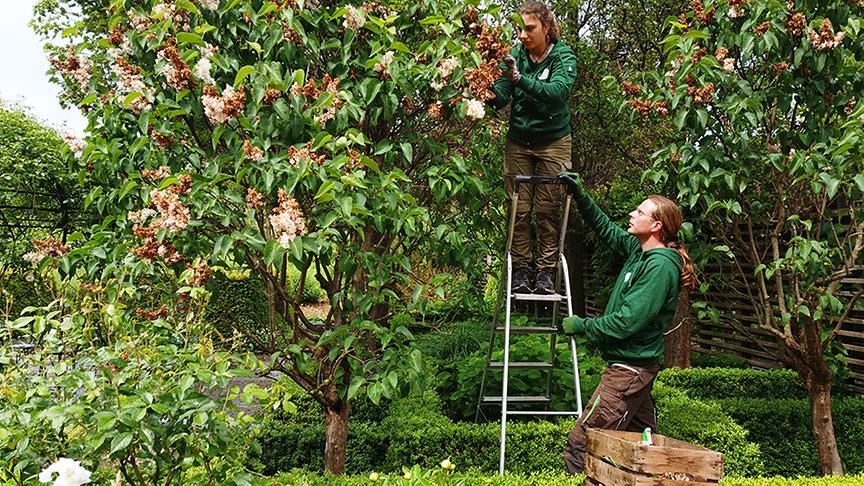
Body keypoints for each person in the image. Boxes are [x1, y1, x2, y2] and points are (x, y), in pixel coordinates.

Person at [556, 173, 697, 474]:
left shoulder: (659, 267)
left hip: (630, 369)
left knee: (583, 443)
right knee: (644, 447)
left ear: (656, 226)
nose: (632, 214)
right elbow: (606, 229)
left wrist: (582, 326)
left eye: (640, 211)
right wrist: (581, 195)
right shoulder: (639, 251)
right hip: (634, 366)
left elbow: (627, 322)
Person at [489, 1, 578, 294]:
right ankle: (521, 269)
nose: (523, 35)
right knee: (519, 208)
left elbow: (557, 93)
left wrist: (520, 79)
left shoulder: (562, 55)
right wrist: (482, 89)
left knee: (548, 208)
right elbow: (502, 95)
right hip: (519, 142)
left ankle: (545, 273)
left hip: (553, 141)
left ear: (546, 27)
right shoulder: (515, 55)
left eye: (529, 28)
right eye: (519, 29)